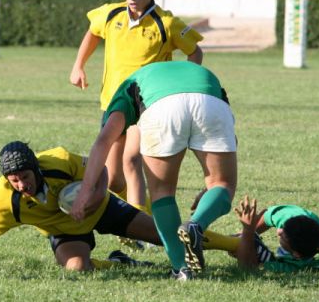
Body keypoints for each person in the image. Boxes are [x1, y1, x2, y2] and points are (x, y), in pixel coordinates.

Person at [71, 61, 237, 277]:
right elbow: (229, 136)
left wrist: (85, 191)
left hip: (162, 109)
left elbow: (104, 140)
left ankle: (181, 268)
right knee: (222, 184)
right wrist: (211, 193)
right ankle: (196, 224)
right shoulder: (201, 73)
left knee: (162, 193)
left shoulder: (128, 84)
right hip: (209, 100)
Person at [69, 0, 203, 214]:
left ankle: (137, 228)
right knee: (114, 178)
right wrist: (78, 66)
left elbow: (195, 52)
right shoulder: (111, 14)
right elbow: (93, 32)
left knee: (132, 159)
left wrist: (186, 82)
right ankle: (147, 216)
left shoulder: (166, 23)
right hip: (113, 103)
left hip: (148, 107)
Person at [0, 141, 198, 278]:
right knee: (76, 268)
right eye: (14, 180)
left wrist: (93, 200)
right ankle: (120, 262)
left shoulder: (59, 161)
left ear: (36, 168)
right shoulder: (5, 200)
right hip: (67, 232)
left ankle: (231, 244)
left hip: (102, 207)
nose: (21, 185)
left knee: (166, 235)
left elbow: (102, 171)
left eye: (25, 176)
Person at [235, 195, 319, 272]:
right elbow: (267, 216)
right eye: (283, 227)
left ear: (297, 255)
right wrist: (243, 235)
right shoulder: (299, 217)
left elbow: (248, 267)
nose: (279, 231)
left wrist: (248, 232)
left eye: (283, 237)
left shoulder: (306, 266)